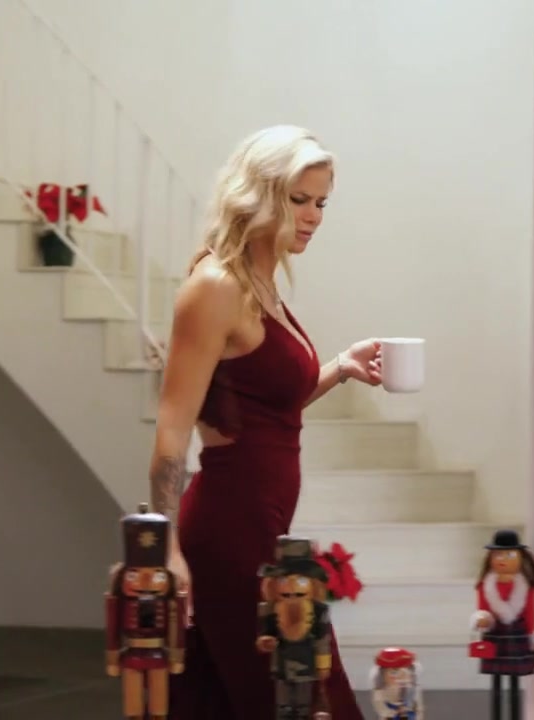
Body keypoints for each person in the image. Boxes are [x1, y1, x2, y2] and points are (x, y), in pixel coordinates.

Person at [148, 125, 380, 720]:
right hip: (229, 532)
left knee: (244, 701)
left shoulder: (260, 285)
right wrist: (166, 549)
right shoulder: (216, 287)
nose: (313, 217)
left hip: (261, 528)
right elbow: (172, 427)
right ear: (257, 195)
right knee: (303, 696)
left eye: (321, 203)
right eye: (298, 200)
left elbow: (271, 411)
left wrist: (340, 368)